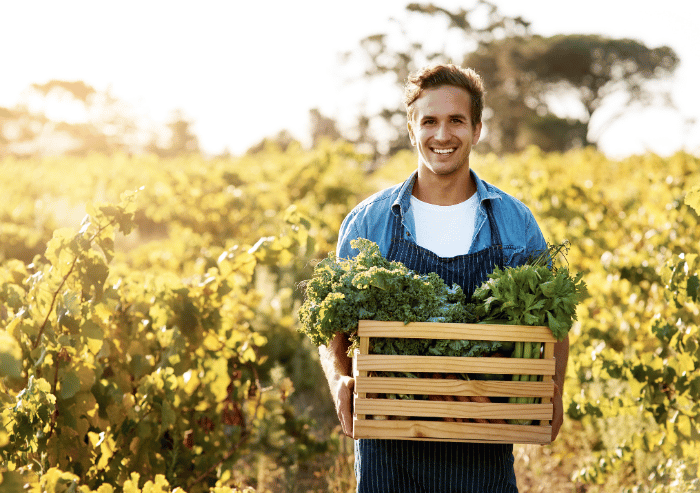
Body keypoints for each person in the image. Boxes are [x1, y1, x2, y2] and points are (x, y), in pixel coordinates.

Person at [318, 63, 569, 492]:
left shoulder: (513, 221)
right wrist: (338, 377)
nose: (442, 135)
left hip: (482, 440)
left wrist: (554, 390)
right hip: (387, 449)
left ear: (476, 129)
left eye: (456, 120)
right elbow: (332, 325)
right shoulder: (369, 222)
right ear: (412, 130)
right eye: (429, 121)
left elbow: (553, 319)